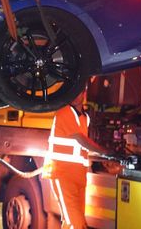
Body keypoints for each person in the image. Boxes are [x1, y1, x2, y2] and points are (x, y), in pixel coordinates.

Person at [44, 88, 108, 229]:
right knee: (76, 224)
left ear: (84, 94)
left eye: (78, 92)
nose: (75, 96)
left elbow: (82, 147)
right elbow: (81, 140)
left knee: (71, 222)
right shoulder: (64, 112)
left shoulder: (84, 118)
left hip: (78, 176)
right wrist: (104, 152)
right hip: (63, 175)